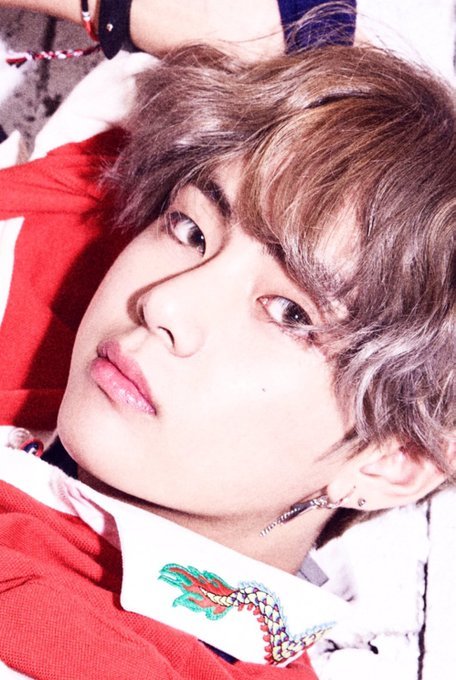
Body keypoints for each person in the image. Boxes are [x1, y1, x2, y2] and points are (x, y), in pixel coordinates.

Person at [0, 8, 455, 680]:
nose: (164, 302)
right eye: (191, 230)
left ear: (393, 460)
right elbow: (281, 22)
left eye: (291, 313)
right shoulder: (55, 268)